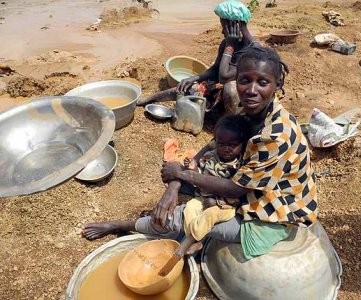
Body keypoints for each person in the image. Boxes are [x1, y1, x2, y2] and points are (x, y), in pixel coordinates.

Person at [83, 46, 318, 259]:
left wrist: (183, 175)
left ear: (277, 84)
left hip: (275, 207)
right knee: (188, 181)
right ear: (236, 80)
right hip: (246, 179)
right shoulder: (247, 107)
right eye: (245, 80)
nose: (251, 90)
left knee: (187, 218)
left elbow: (237, 188)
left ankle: (124, 225)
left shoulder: (276, 135)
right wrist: (175, 184)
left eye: (263, 82)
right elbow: (215, 143)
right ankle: (177, 227)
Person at [137, 0, 260, 115]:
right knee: (184, 89)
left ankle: (232, 122)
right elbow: (216, 68)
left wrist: (229, 46)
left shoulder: (254, 51)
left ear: (235, 25)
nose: (222, 31)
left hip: (240, 97)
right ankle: (149, 99)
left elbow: (224, 77)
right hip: (220, 87)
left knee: (230, 89)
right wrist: (194, 78)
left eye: (224, 27)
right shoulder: (228, 43)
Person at [174, 114, 250, 257]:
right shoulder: (209, 156)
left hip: (227, 206)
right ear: (215, 142)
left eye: (232, 145)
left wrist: (217, 202)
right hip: (203, 197)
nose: (226, 148)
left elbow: (238, 192)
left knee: (210, 214)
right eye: (221, 144)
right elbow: (200, 175)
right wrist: (193, 168)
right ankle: (197, 239)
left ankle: (190, 241)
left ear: (242, 144)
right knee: (189, 209)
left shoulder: (240, 166)